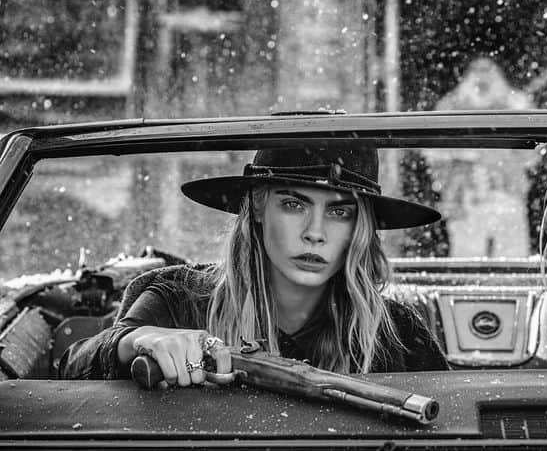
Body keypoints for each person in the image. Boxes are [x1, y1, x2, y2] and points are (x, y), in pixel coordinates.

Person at [60, 143, 449, 385]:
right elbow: (75, 367)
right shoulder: (179, 299)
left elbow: (452, 420)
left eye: (339, 211)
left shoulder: (393, 332)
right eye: (294, 204)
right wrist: (137, 341)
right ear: (260, 205)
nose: (315, 233)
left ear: (359, 227)